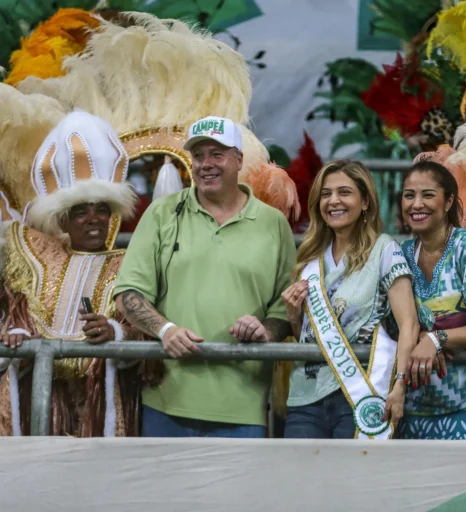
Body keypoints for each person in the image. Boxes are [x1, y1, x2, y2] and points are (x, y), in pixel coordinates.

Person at [113, 116, 296, 438]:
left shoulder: (273, 223)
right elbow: (128, 292)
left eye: (217, 154)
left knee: (238, 491)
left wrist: (264, 331)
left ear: (238, 160)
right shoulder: (162, 213)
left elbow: (285, 307)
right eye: (198, 156)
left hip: (244, 404)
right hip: (165, 400)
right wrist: (165, 329)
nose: (205, 164)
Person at [0, 108, 141, 437]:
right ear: (62, 220)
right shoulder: (36, 257)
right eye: (81, 211)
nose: (93, 219)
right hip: (40, 396)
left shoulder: (130, 264)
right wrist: (14, 335)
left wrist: (115, 334)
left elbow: (147, 337)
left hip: (100, 400)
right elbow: (17, 312)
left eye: (102, 209)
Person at [281, 160, 418, 440]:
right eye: (326, 194)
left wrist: (401, 384)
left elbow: (409, 325)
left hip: (358, 395)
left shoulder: (384, 249)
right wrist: (294, 316)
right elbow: (309, 337)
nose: (333, 201)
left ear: (365, 200)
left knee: (354, 483)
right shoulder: (310, 259)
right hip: (304, 397)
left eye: (344, 192)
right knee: (300, 483)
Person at [397, 161, 466, 440]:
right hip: (415, 411)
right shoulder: (402, 254)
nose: (416, 204)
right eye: (409, 195)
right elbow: (391, 324)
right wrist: (422, 336)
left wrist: (435, 340)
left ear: (448, 202)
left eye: (428, 195)